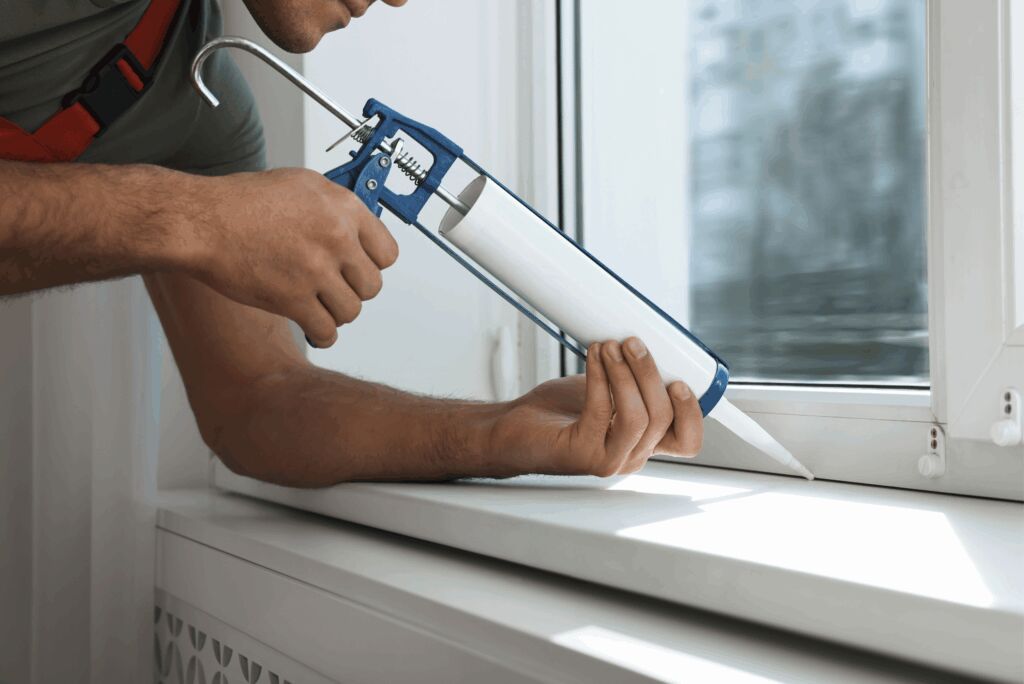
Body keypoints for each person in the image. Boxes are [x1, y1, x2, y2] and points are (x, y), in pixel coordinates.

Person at [0, 0, 703, 486]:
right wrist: (196, 221)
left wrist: (497, 434)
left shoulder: (201, 117)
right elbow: (198, 222)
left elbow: (255, 402)